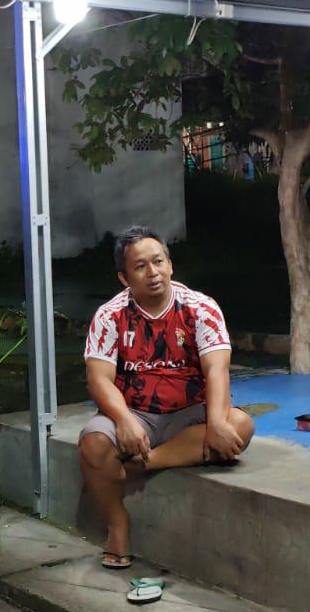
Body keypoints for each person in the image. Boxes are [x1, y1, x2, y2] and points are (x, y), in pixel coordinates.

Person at [78, 225, 256, 569]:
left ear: (170, 265)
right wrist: (124, 420)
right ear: (124, 277)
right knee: (94, 444)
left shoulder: (200, 308)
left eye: (158, 261)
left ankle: (143, 463)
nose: (153, 272)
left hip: (189, 414)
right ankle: (117, 525)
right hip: (135, 412)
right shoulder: (110, 315)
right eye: (140, 266)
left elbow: (217, 369)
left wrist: (216, 422)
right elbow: (98, 379)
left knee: (240, 426)